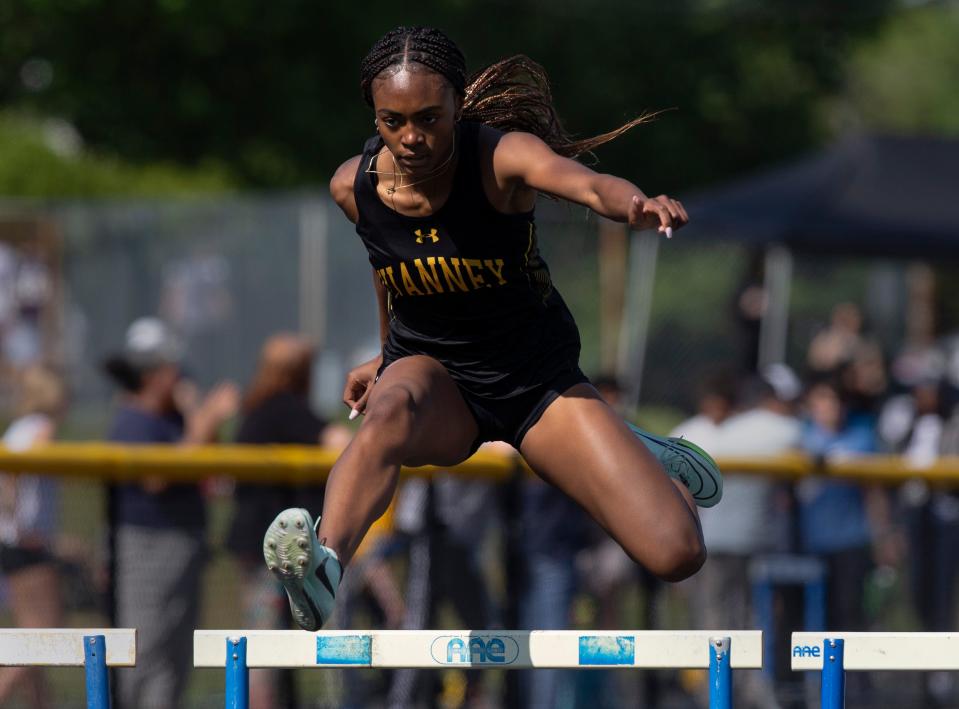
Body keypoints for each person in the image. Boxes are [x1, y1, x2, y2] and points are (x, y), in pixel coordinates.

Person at [262, 26, 722, 633]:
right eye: (392, 121)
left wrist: (632, 203)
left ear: (457, 102)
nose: (411, 138)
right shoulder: (355, 185)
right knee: (389, 409)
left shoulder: (502, 157)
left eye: (428, 118)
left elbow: (584, 183)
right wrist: (384, 356)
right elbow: (387, 269)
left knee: (677, 553)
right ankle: (326, 567)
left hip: (534, 385)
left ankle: (633, 444)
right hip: (436, 379)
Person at [103, 317, 238, 709]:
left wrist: (197, 411)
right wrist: (207, 416)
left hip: (183, 544)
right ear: (150, 375)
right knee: (147, 646)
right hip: (147, 547)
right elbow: (156, 477)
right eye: (168, 369)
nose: (177, 375)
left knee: (175, 652)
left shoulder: (173, 419)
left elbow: (206, 461)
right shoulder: (132, 420)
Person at [226, 333, 350, 709]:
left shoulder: (256, 408)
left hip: (261, 546)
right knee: (266, 643)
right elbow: (339, 441)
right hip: (278, 551)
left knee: (267, 641)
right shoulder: (282, 407)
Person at [0, 364, 66, 708]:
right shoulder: (41, 428)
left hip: (13, 540)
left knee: (30, 632)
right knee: (44, 635)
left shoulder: (16, 430)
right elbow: (14, 478)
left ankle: (40, 703)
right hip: (29, 542)